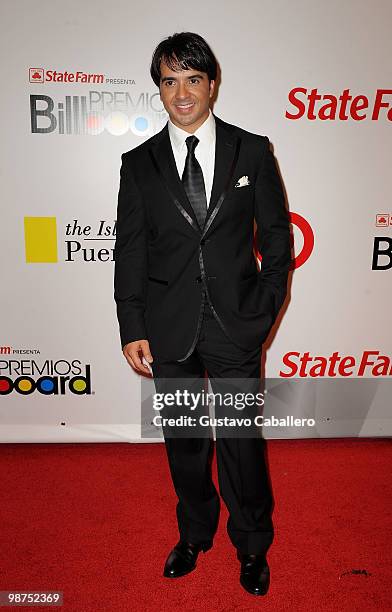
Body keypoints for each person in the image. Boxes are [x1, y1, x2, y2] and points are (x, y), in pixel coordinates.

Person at [114, 31, 291, 596]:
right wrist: (132, 324)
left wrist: (264, 307)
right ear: (159, 91)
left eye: (193, 79)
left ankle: (252, 543)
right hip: (169, 327)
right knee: (185, 442)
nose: (182, 93)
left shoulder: (251, 149)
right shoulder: (138, 164)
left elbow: (279, 238)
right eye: (170, 81)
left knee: (242, 441)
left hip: (237, 322)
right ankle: (194, 534)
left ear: (212, 84)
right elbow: (131, 250)